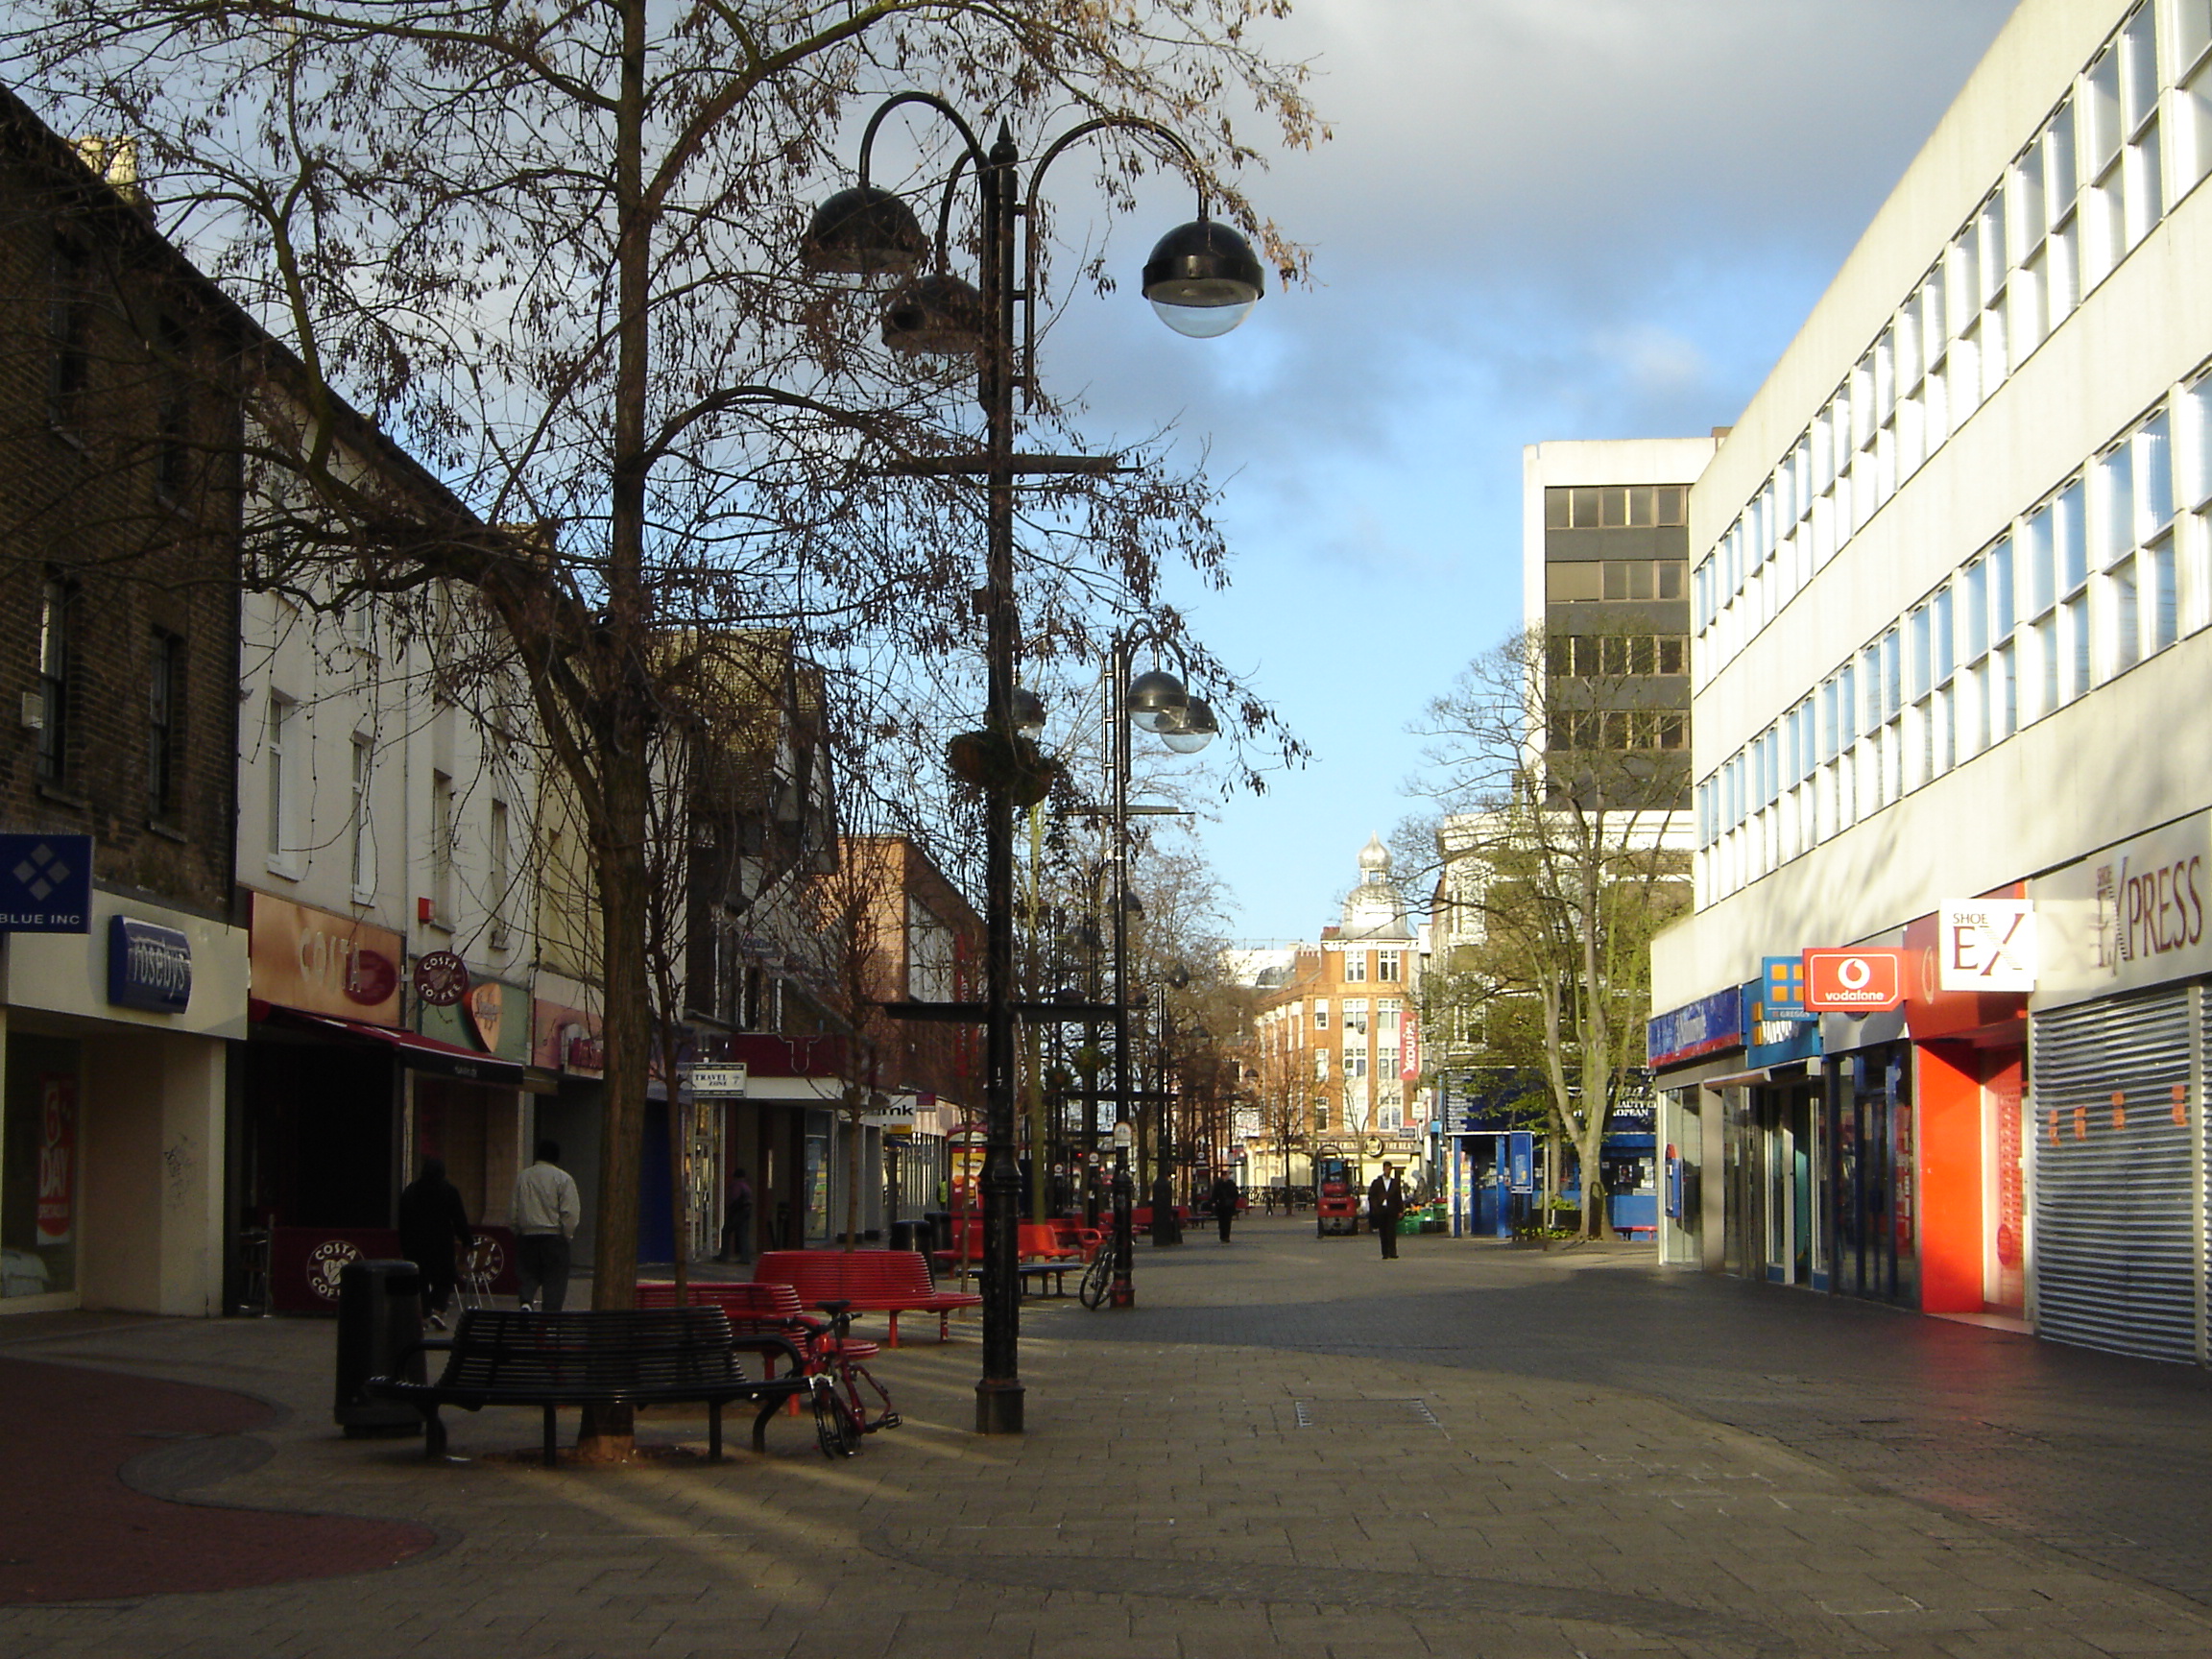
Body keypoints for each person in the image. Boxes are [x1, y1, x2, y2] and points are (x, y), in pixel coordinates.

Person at [397, 1156, 471, 1329]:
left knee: (420, 1280)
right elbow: (459, 1218)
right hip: (441, 1243)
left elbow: (403, 1221)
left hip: (415, 1243)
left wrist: (403, 1245)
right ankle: (438, 1309)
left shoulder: (411, 1190)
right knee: (445, 1278)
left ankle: (424, 1315)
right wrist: (467, 1239)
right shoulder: (448, 1190)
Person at [512, 1139, 582, 1311]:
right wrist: (567, 1235)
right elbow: (570, 1212)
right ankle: (549, 1319)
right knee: (555, 1281)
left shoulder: (523, 1177)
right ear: (557, 1157)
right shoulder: (563, 1179)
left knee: (528, 1274)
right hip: (553, 1237)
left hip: (527, 1236)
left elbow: (513, 1210)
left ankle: (526, 1301)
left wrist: (517, 1231)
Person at [1368, 1163, 1407, 1260]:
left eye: (1389, 1169)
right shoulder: (1377, 1182)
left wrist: (1400, 1210)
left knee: (1392, 1232)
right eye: (1386, 1169)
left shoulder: (1394, 1183)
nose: (1387, 1171)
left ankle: (1393, 1252)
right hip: (1381, 1210)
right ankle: (1385, 1253)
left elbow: (1398, 1197)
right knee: (1383, 1232)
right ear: (1383, 1169)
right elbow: (1372, 1196)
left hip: (1391, 1210)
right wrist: (1375, 1207)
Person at [718, 1166, 755, 1264]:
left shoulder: (736, 1185)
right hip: (746, 1211)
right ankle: (745, 1257)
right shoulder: (746, 1186)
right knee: (743, 1234)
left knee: (726, 1231)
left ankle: (724, 1255)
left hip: (737, 1212)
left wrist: (728, 1206)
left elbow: (733, 1198)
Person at [1210, 1172, 1240, 1244]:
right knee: (1221, 1221)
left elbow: (1235, 1194)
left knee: (1228, 1221)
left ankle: (1226, 1236)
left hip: (1229, 1206)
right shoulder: (1218, 1184)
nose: (1228, 1177)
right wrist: (1214, 1202)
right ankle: (1222, 1236)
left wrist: (1233, 1201)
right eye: (1227, 1175)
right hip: (1220, 1205)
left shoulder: (1231, 1183)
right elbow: (1214, 1194)